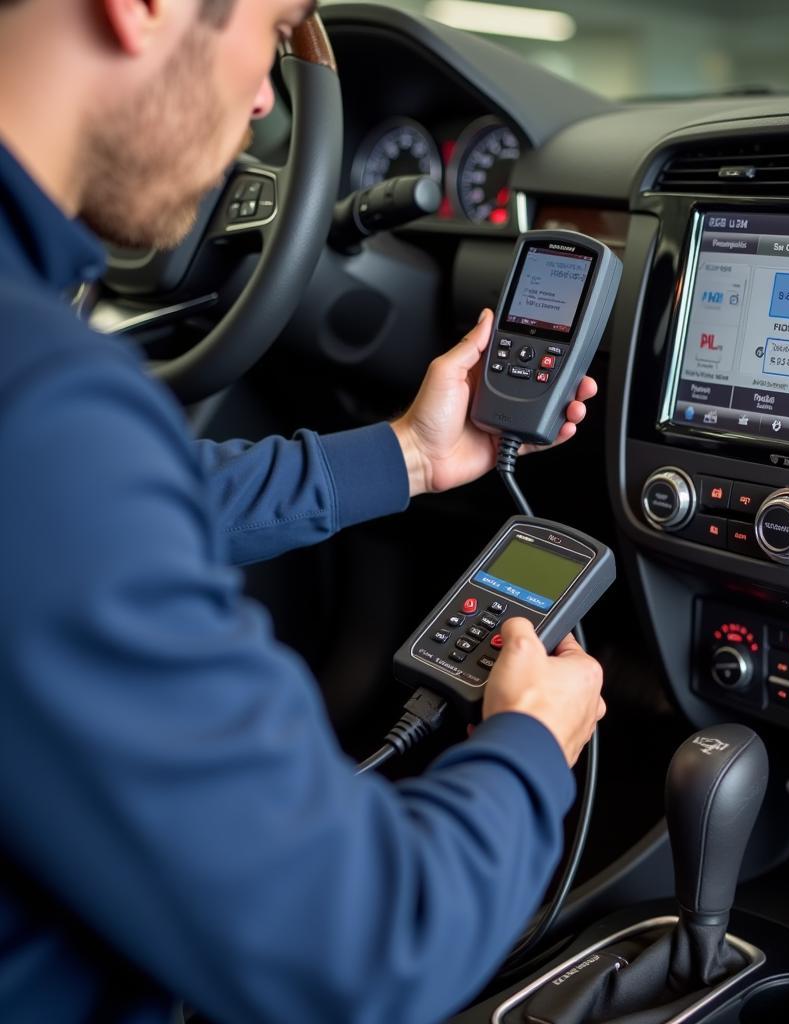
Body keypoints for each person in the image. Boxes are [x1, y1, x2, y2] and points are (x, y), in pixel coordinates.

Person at [0, 1, 607, 1022]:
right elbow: (370, 944)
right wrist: (526, 750)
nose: (266, 100)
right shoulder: (44, 413)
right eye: (275, 33)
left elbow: (126, 506)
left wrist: (410, 455)